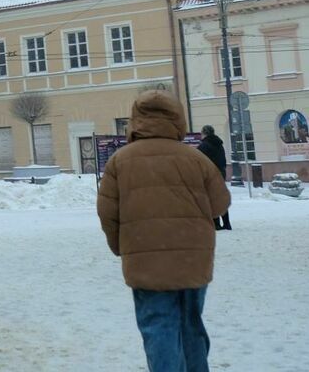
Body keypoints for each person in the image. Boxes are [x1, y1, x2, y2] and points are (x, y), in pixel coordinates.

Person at [97, 90, 231, 372]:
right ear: (177, 120)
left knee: (158, 326)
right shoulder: (196, 159)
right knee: (191, 325)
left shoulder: (119, 162)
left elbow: (107, 213)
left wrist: (120, 247)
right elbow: (221, 205)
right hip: (193, 260)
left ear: (135, 121)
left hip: (145, 261)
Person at [197, 125, 233, 231]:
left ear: (204, 133)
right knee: (220, 198)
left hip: (209, 175)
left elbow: (198, 161)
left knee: (211, 199)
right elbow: (223, 160)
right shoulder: (219, 144)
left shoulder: (204, 146)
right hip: (221, 173)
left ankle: (216, 224)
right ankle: (227, 223)